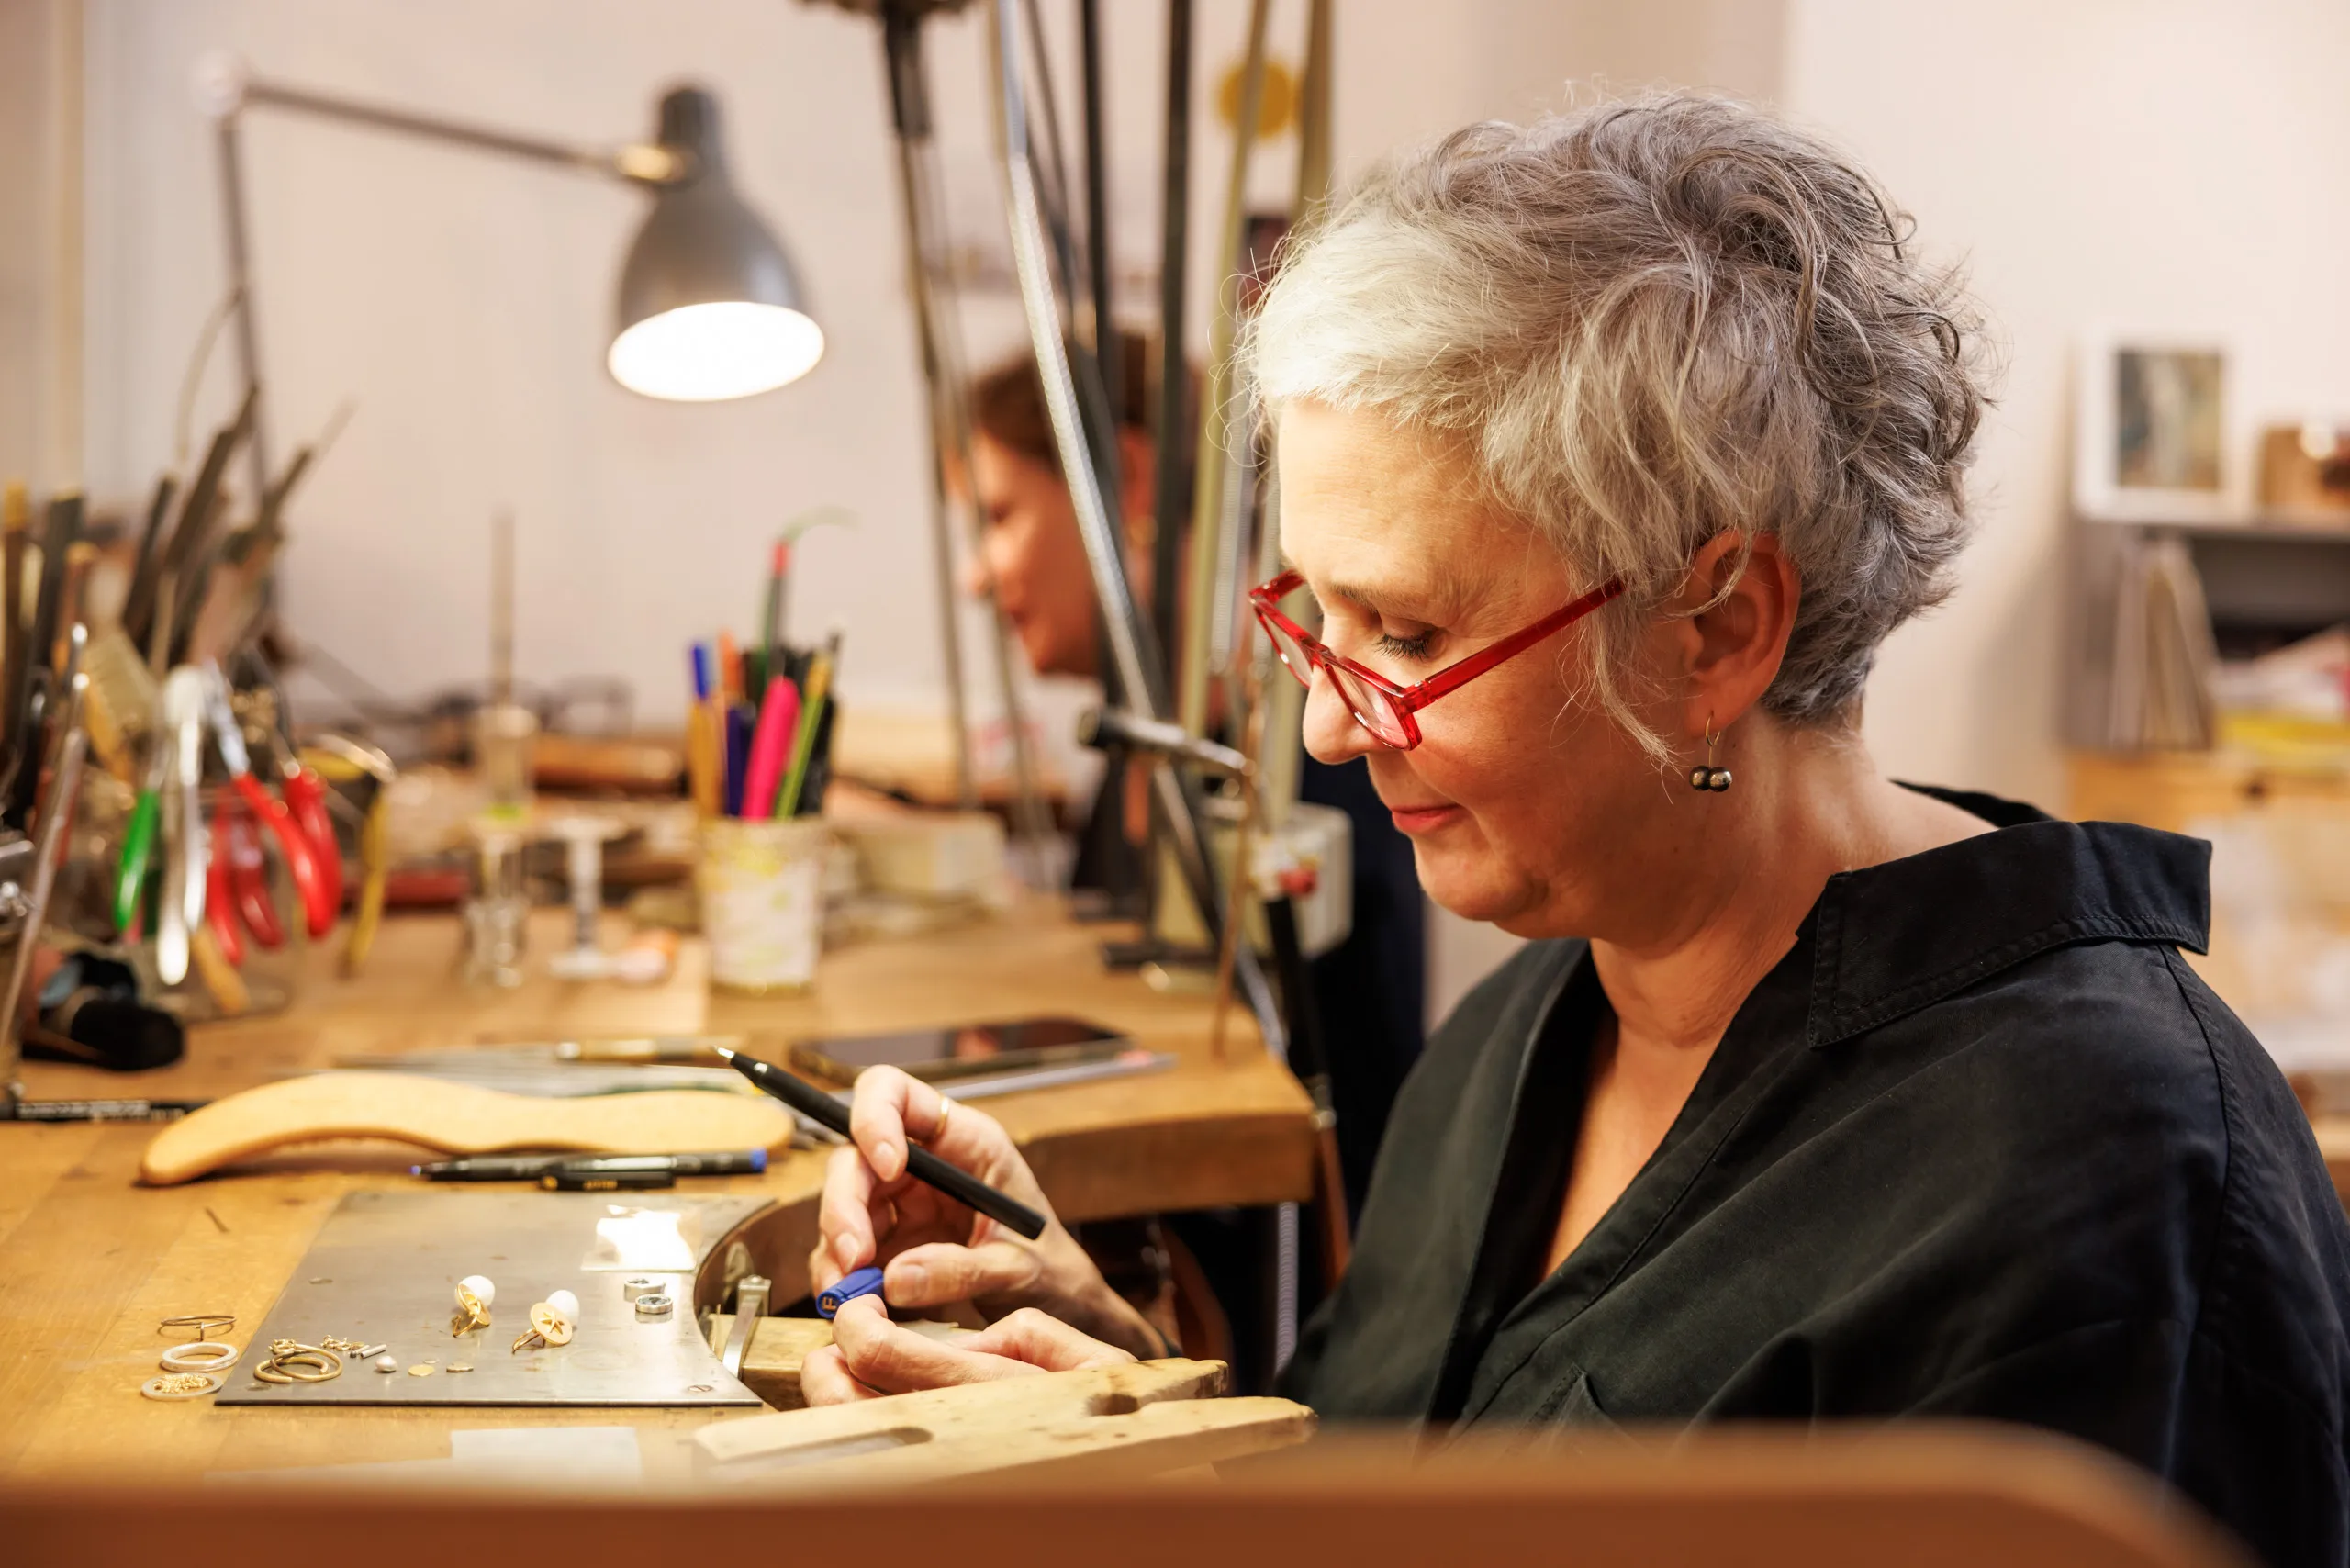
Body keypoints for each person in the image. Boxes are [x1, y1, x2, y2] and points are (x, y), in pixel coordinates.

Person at [809, 92, 2350, 1568]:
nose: (1330, 723)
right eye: (1315, 618)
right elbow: (1395, 1497)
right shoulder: (1520, 1034)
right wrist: (1110, 1375)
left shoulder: (2102, 1176)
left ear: (1716, 630)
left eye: (1405, 633)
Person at [961, 331, 1427, 1215]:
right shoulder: (1154, 731)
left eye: (999, 516)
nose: (974, 577)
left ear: (1129, 484)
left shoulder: (1302, 761)